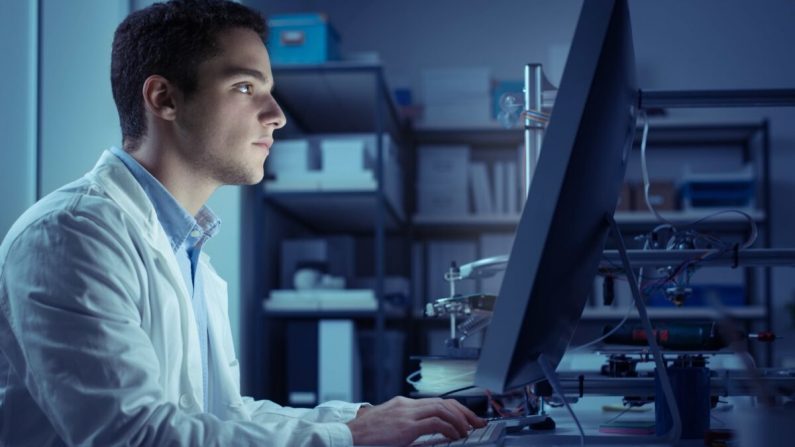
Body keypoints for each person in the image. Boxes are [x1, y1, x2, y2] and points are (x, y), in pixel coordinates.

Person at [0, 0, 485, 445]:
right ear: (165, 98)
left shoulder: (187, 250)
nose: (277, 116)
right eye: (245, 87)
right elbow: (133, 435)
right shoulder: (71, 236)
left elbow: (223, 416)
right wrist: (349, 439)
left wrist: (358, 420)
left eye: (269, 92)